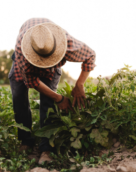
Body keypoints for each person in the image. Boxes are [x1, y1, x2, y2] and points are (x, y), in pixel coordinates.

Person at [8, 18, 96, 164]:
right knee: (18, 98)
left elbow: (90, 56)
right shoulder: (22, 52)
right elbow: (32, 82)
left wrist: (80, 84)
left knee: (48, 104)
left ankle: (46, 149)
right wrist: (59, 98)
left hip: (52, 66)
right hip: (24, 65)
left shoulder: (66, 43)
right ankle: (26, 141)